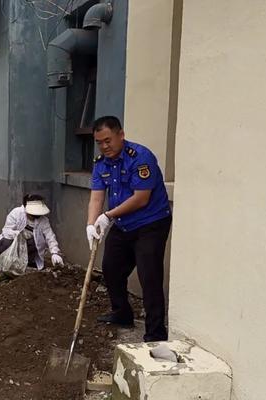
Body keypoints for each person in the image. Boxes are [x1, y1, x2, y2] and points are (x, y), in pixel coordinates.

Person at [86, 115, 172, 342]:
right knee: (111, 268)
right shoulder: (100, 163)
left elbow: (141, 198)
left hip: (150, 222)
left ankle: (155, 333)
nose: (104, 146)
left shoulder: (140, 158)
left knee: (149, 275)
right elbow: (96, 198)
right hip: (123, 223)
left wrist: (107, 216)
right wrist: (90, 224)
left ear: (120, 135)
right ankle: (122, 313)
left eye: (108, 140)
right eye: (99, 142)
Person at [0, 194, 64, 270]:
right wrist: (19, 235)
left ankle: (26, 263)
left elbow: (50, 237)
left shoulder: (44, 221)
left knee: (34, 243)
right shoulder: (16, 213)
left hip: (29, 247)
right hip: (12, 244)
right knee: (6, 242)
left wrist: (55, 253)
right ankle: (6, 261)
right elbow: (6, 231)